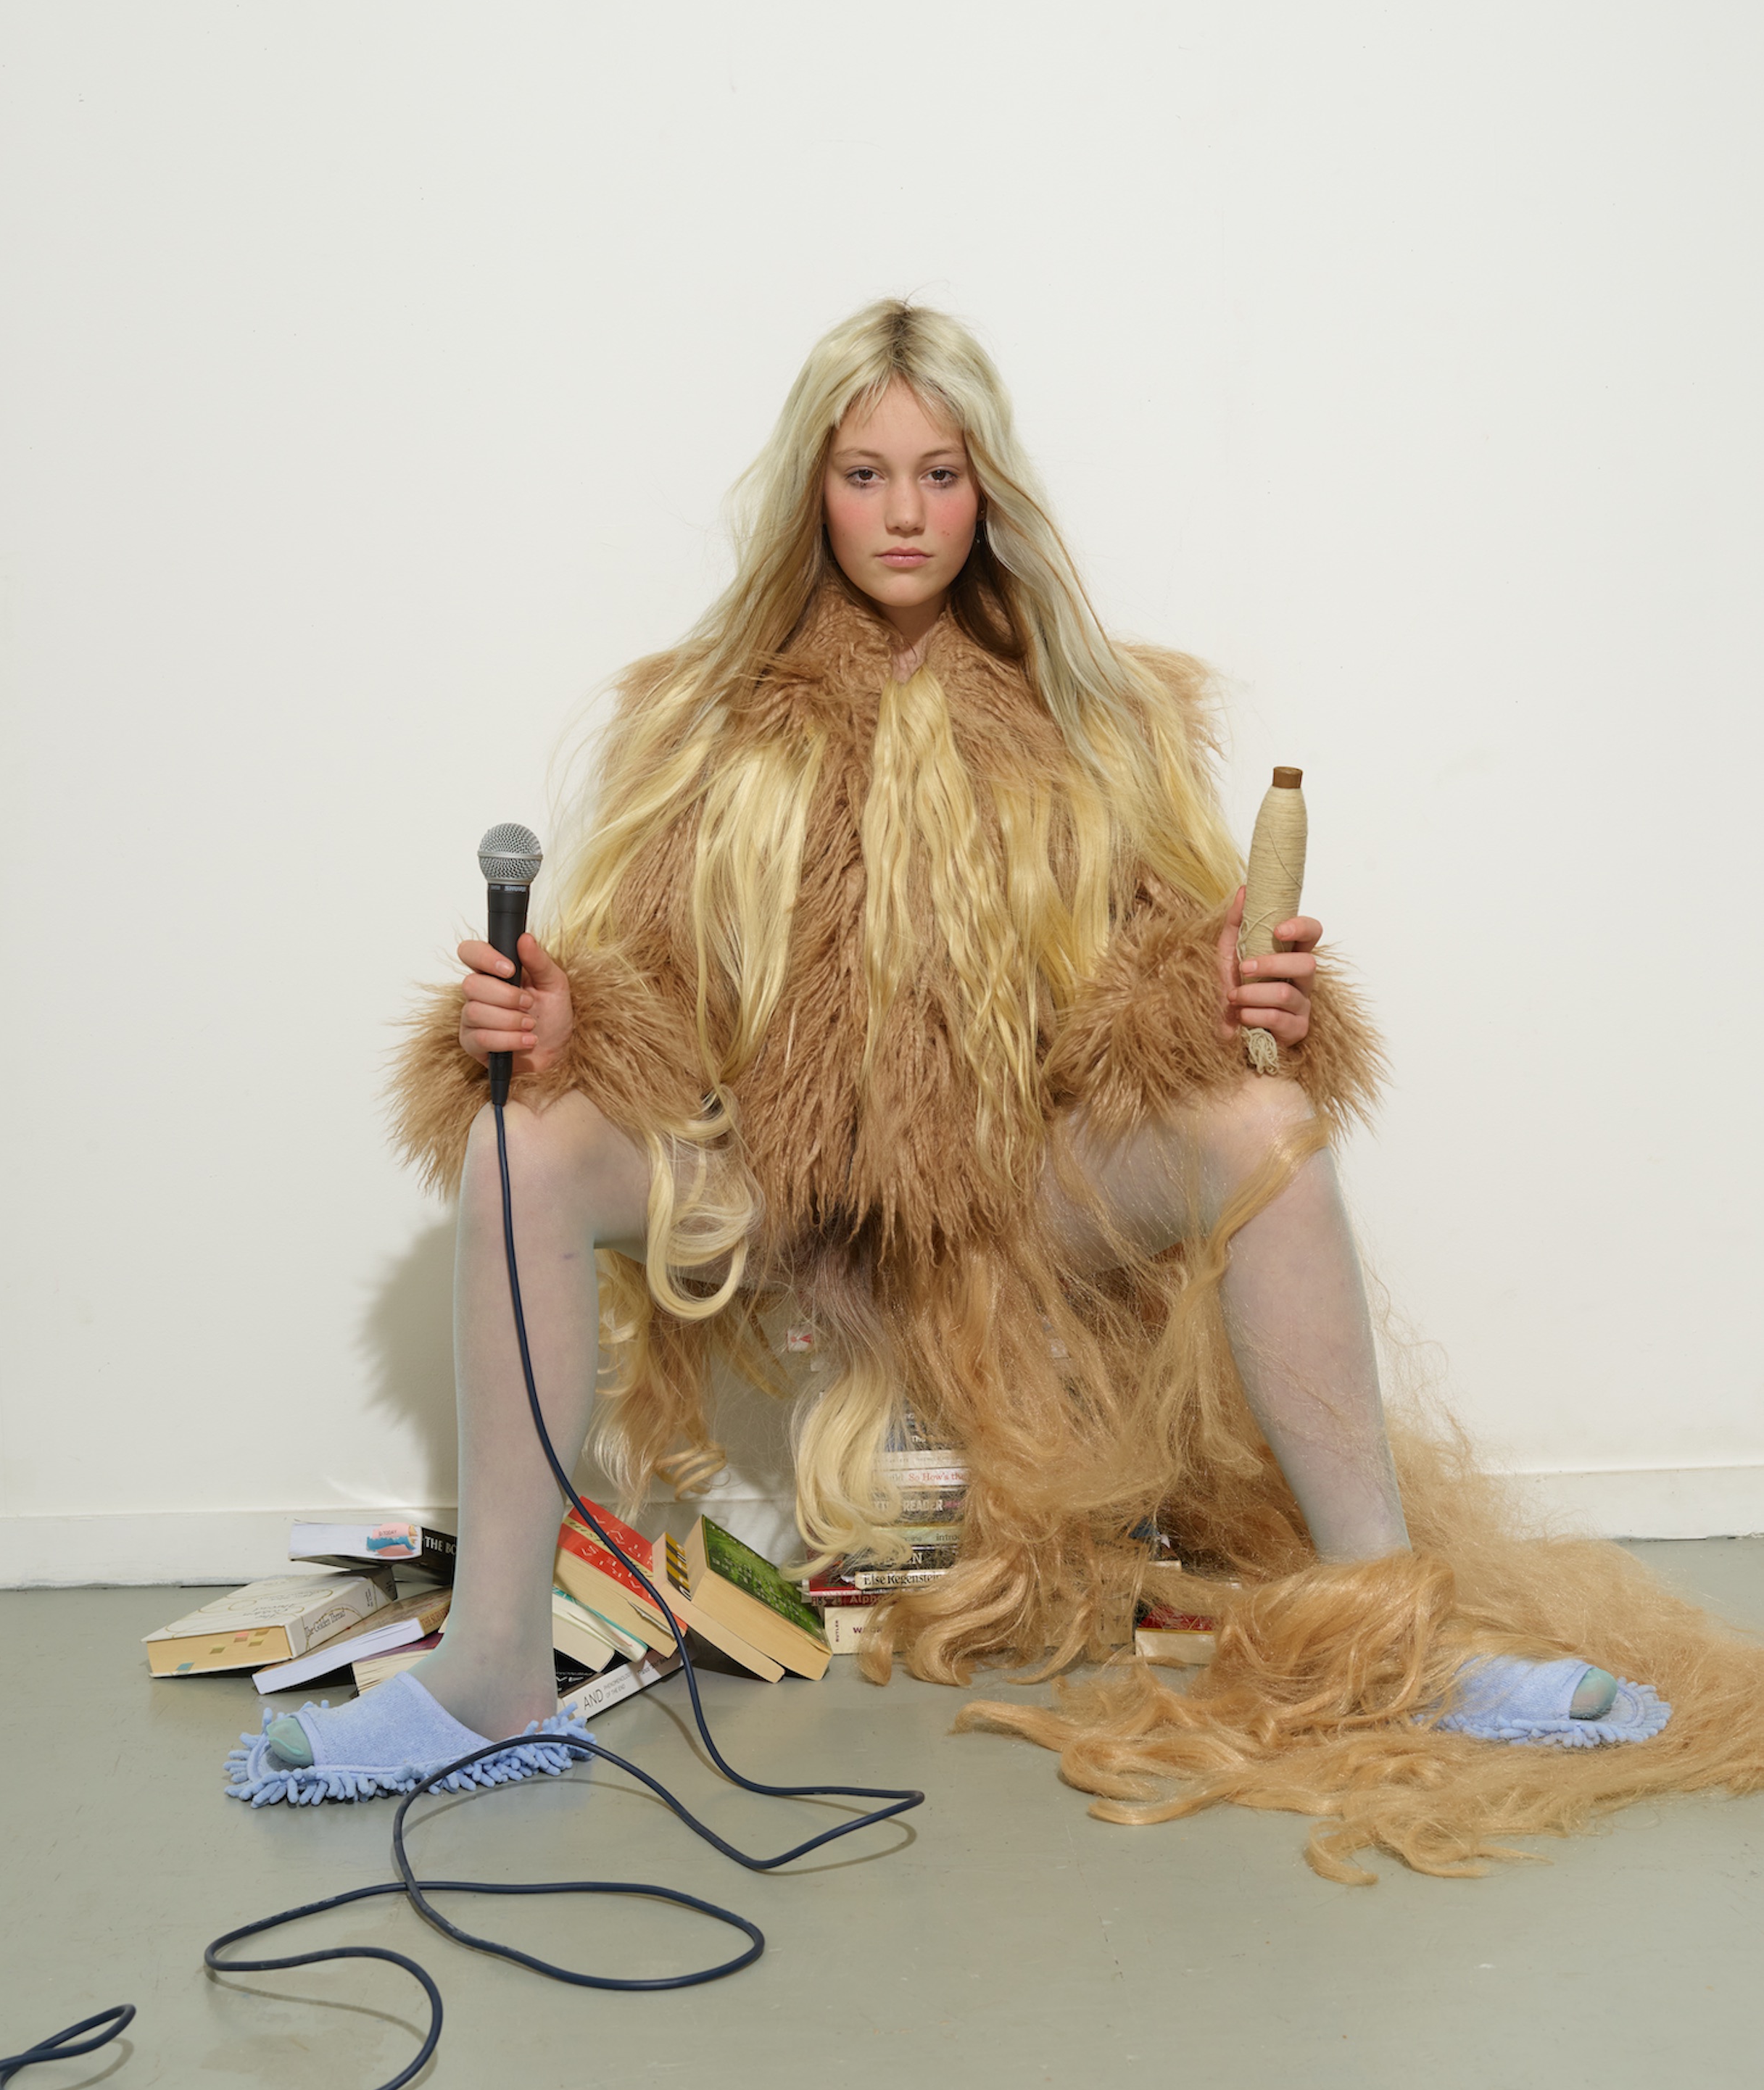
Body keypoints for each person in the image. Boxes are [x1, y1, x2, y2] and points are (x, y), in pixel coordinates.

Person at [231, 302, 1764, 1880]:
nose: (903, 513)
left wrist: (1225, 995)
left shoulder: (1103, 711)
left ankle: (1394, 1634)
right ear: (813, 491)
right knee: (520, 1143)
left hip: (1015, 1190)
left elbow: (1140, 988)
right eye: (864, 474)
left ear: (988, 488)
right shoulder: (700, 716)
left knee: (1267, 1123)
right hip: (771, 1187)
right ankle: (491, 1667)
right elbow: (655, 1000)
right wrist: (565, 1025)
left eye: (940, 473)